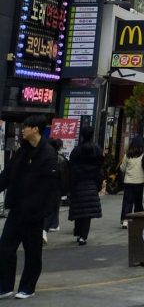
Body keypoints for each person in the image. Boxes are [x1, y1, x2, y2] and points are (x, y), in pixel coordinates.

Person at [0, 114, 60, 299]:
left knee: (32, 251)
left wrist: (43, 211)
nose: (23, 129)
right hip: (17, 209)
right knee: (5, 248)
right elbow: (8, 174)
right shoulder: (22, 151)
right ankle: (5, 286)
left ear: (35, 129)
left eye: (26, 126)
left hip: (35, 213)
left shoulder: (48, 154)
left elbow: (50, 188)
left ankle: (27, 287)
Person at [67, 125, 104, 246]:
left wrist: (70, 185)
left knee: (79, 209)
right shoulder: (97, 149)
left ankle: (78, 232)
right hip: (91, 183)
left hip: (78, 183)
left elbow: (70, 168)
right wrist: (99, 184)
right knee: (87, 213)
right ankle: (83, 236)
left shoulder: (76, 151)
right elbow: (99, 169)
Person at [119, 136, 144, 228]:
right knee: (138, 202)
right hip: (140, 182)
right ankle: (138, 218)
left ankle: (125, 220)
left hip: (128, 182)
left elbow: (122, 168)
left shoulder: (127, 155)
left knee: (128, 202)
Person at [43, 138, 68, 240]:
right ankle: (52, 225)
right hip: (56, 187)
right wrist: (64, 191)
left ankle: (50, 225)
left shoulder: (45, 157)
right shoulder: (60, 159)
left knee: (49, 206)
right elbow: (64, 176)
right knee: (54, 206)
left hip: (48, 187)